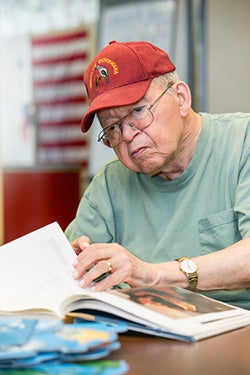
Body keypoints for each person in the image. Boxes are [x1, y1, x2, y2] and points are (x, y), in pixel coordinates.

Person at [65, 40, 250, 310]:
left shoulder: (242, 141)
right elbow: (73, 283)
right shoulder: (108, 185)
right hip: (148, 335)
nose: (127, 135)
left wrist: (154, 275)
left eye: (138, 111)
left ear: (181, 98)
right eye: (113, 128)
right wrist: (71, 264)